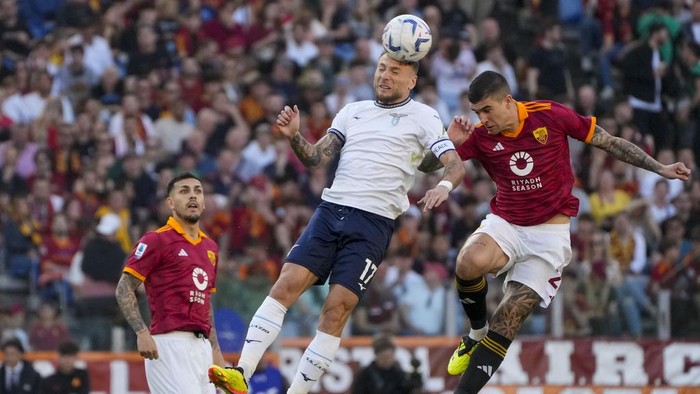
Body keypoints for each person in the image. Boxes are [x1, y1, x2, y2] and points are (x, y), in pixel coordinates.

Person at [208, 51, 466, 394]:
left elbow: (450, 164)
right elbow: (315, 157)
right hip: (331, 211)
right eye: (381, 68)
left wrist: (444, 186)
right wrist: (294, 137)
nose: (384, 76)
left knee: (336, 310)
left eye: (394, 71)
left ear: (412, 80)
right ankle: (241, 372)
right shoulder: (352, 111)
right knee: (285, 285)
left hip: (373, 224)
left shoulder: (425, 116)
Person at [418, 71, 690, 394]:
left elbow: (609, 142)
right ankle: (475, 332)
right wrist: (449, 143)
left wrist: (659, 167)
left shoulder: (550, 115)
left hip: (549, 235)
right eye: (477, 112)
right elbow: (426, 167)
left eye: (487, 110)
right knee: (467, 263)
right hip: (507, 222)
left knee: (507, 320)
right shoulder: (479, 136)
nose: (482, 119)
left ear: (508, 101)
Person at [115, 172, 225, 394]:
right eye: (184, 191)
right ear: (170, 203)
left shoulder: (210, 248)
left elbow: (205, 301)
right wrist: (142, 332)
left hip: (202, 348)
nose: (192, 196)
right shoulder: (156, 240)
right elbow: (124, 287)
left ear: (204, 203)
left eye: (198, 191)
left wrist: (216, 350)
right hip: (167, 345)